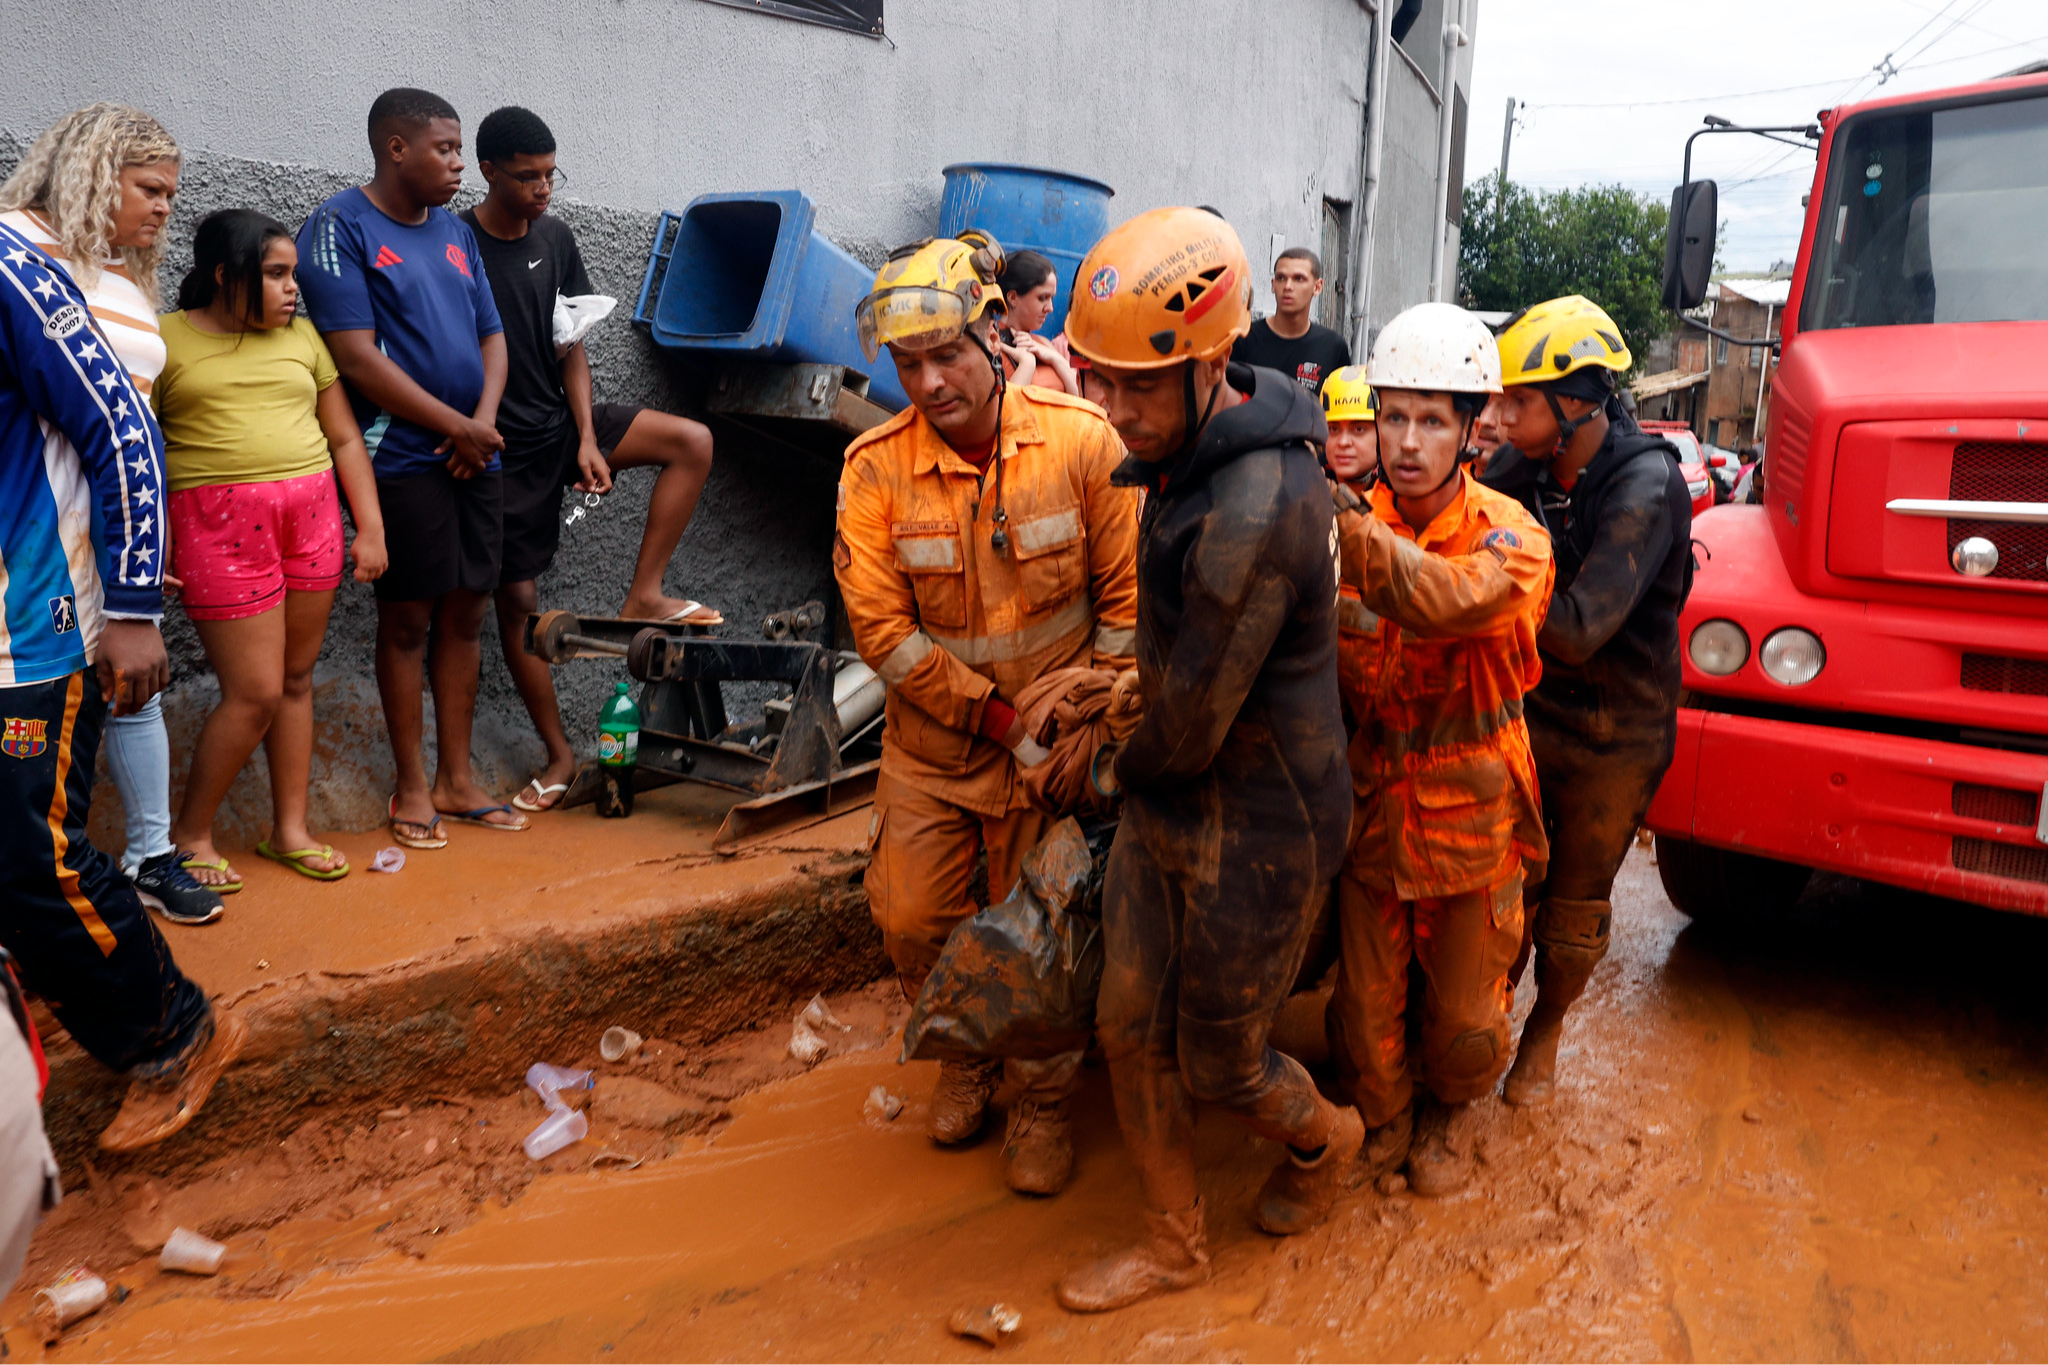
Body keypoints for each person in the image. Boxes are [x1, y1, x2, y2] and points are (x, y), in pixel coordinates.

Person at [1055, 208, 1361, 1313]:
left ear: (1213, 361)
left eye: (1140, 385)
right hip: (1178, 790)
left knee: (1222, 1060)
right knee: (1126, 1023)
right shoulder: (1183, 450)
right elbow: (1178, 704)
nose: (1113, 409)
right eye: (1098, 380)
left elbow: (1185, 729)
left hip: (1265, 820)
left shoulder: (1255, 507)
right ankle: (1173, 1242)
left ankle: (1330, 1138)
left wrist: (1097, 772)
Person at [837, 231, 1138, 1196]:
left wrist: (1088, 721)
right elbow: (884, 634)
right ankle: (965, 1055)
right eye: (906, 364)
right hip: (937, 749)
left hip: (1056, 753)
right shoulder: (873, 469)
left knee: (1044, 935)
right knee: (909, 916)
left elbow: (1128, 608)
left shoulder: (1083, 442)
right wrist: (1004, 722)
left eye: (945, 356)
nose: (927, 383)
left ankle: (1044, 1097)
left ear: (994, 331)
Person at [0, 183, 246, 1152]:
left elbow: (125, 428)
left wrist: (136, 603)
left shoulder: (17, 270)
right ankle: (59, 992)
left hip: (35, 622)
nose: (161, 206)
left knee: (32, 852)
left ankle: (176, 1035)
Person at [1324, 303, 1553, 1196]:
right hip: (1371, 798)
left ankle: (1452, 1112)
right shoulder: (1345, 519)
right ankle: (1386, 1119)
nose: (1408, 441)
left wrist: (1346, 532)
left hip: (1470, 805)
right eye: (1393, 417)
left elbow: (1447, 599)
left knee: (1464, 1017)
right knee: (1362, 1006)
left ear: (1470, 429)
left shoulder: (1512, 538)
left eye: (1431, 420)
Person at [0, 104, 225, 925]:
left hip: (111, 536)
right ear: (94, 173)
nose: (165, 207)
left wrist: (139, 548)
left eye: (171, 194)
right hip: (38, 542)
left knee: (133, 691)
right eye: (149, 189)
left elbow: (138, 426)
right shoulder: (28, 265)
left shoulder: (123, 281)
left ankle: (150, 857)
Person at [459, 106, 720, 814]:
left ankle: (646, 593)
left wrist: (584, 436)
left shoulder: (554, 236)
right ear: (488, 171)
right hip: (502, 450)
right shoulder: (458, 243)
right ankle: (560, 756)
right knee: (517, 603)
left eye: (551, 174)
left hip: (560, 425)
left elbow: (569, 345)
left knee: (691, 442)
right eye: (527, 177)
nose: (543, 189)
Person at [296, 88, 526, 846]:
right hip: (400, 456)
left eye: (460, 150)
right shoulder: (339, 225)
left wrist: (480, 424)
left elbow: (493, 338)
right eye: (445, 149)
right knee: (407, 621)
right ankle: (413, 787)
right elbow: (355, 357)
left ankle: (458, 780)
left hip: (473, 453)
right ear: (396, 149)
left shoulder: (456, 232)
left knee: (466, 613)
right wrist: (458, 427)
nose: (460, 164)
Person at [1479, 295, 1692, 1106]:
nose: (1499, 419)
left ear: (1575, 404)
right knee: (1502, 888)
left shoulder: (1646, 485)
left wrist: (1479, 583)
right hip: (1533, 712)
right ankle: (1479, 1028)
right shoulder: (1520, 469)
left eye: (1518, 403)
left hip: (1617, 730)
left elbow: (1574, 630)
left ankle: (1543, 1035)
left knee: (1571, 904)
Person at [155, 209, 387, 887]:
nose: (293, 289)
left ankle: (290, 831)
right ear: (225, 275)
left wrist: (369, 526)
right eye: (276, 274)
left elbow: (344, 438)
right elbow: (138, 449)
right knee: (253, 692)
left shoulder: (303, 337)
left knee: (294, 680)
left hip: (311, 519)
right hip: (215, 526)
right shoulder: (163, 340)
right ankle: (190, 834)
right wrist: (149, 541)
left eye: (294, 274)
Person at [1230, 247, 1351, 394]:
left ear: (1317, 287)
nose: (1287, 286)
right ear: (1273, 285)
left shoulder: (1333, 347)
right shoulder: (1243, 338)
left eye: (1299, 279)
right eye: (1281, 278)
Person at [994, 249, 1077, 395]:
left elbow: (1077, 400)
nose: (1050, 308)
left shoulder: (1043, 344)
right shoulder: (993, 345)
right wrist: (1027, 364)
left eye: (1051, 298)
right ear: (1013, 298)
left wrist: (1055, 358)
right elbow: (1005, 406)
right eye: (1042, 298)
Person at [1319, 364, 1377, 484]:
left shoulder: (1401, 493)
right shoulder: (1306, 485)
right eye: (1333, 429)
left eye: (1359, 429)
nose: (1343, 442)